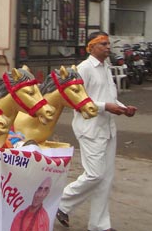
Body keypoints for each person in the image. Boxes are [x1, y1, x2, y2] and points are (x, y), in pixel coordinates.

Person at [56, 31, 137, 231]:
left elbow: (109, 97)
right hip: (90, 128)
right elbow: (76, 101)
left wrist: (123, 108)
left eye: (108, 44)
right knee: (95, 175)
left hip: (108, 128)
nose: (108, 47)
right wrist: (105, 107)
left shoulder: (106, 67)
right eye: (103, 44)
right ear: (91, 47)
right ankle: (61, 202)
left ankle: (99, 225)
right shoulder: (84, 68)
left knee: (105, 179)